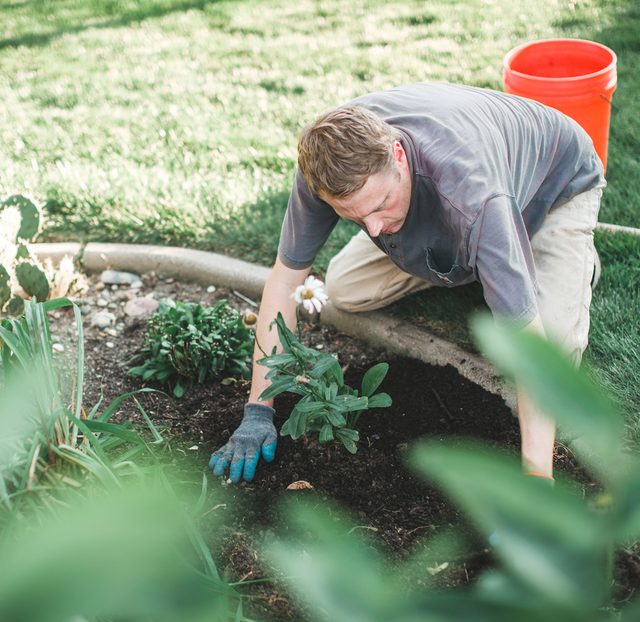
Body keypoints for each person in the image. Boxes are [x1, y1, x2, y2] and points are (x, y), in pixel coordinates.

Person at [209, 81, 606, 485]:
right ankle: (481, 264)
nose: (376, 229)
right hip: (462, 203)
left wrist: (536, 480)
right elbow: (284, 281)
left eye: (380, 205)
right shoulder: (326, 168)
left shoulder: (475, 197)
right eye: (355, 218)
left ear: (397, 155)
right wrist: (258, 410)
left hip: (554, 186)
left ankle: (559, 264)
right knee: (345, 289)